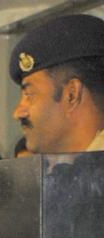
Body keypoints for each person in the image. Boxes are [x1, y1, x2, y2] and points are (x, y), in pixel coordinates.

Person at [11, 13, 104, 154]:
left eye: (29, 94)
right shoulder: (80, 172)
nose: (18, 113)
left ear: (72, 95)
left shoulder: (94, 172)